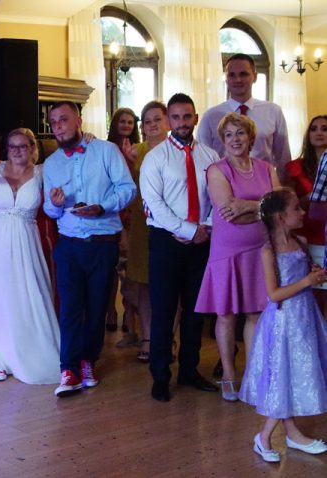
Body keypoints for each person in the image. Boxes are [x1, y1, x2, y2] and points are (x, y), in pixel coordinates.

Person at [43, 101, 136, 397]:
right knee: (70, 308)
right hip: (69, 244)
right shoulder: (51, 163)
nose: (59, 126)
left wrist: (102, 207)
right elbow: (50, 209)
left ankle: (88, 362)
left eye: (64, 119)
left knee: (97, 308)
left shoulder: (106, 151)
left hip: (102, 244)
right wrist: (54, 204)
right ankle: (68, 369)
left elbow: (127, 189)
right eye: (54, 122)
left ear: (79, 120)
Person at [139, 93, 220, 402]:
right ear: (168, 120)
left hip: (202, 241)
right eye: (176, 117)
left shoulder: (210, 156)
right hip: (165, 242)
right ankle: (160, 376)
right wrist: (186, 229)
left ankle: (189, 370)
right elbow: (153, 204)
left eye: (187, 116)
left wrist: (204, 228)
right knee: (164, 310)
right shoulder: (155, 157)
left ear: (195, 118)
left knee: (195, 311)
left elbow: (218, 197)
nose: (182, 122)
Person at [195, 113, 279, 402]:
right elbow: (229, 212)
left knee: (256, 312)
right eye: (229, 134)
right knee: (226, 314)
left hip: (261, 250)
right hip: (227, 251)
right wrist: (263, 207)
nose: (235, 139)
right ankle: (229, 375)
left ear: (251, 137)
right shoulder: (216, 170)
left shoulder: (267, 168)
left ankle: (253, 375)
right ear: (222, 140)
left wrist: (249, 205)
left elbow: (279, 208)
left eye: (240, 133)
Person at [239, 188, 327, 463]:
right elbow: (274, 294)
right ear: (280, 217)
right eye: (296, 209)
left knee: (295, 372)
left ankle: (292, 433)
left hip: (304, 318)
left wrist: (314, 275)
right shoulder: (269, 252)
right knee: (282, 375)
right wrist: (306, 282)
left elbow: (303, 276)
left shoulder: (300, 242)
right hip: (283, 322)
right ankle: (264, 436)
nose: (302, 212)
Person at [0, 128, 60, 384]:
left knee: (26, 294)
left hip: (25, 240)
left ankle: (29, 352)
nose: (17, 151)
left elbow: (53, 205)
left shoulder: (42, 172)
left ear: (32, 148)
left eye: (23, 146)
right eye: (12, 146)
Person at [120, 101, 170, 362]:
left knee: (170, 284)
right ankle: (148, 337)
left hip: (170, 221)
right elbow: (126, 187)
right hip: (142, 222)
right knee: (144, 283)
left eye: (157, 119)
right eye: (147, 121)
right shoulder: (135, 150)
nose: (152, 125)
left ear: (167, 122)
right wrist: (130, 163)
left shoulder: (175, 149)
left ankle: (168, 339)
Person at [198, 53, 291, 182]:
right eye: (232, 75)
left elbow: (283, 157)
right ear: (226, 79)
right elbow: (202, 158)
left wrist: (281, 189)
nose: (238, 80)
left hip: (264, 183)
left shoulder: (273, 112)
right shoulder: (210, 116)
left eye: (243, 74)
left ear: (255, 76)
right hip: (224, 184)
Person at [106, 108, 141, 336]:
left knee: (131, 269)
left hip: (135, 212)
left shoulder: (139, 149)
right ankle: (111, 311)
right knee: (112, 267)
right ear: (115, 124)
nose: (126, 125)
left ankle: (130, 315)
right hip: (113, 212)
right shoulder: (106, 149)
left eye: (130, 122)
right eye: (122, 121)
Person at [286, 115, 327, 311]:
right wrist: (314, 195)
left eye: (324, 129)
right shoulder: (296, 167)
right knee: (313, 295)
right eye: (314, 129)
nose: (319, 133)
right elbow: (288, 203)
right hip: (308, 236)